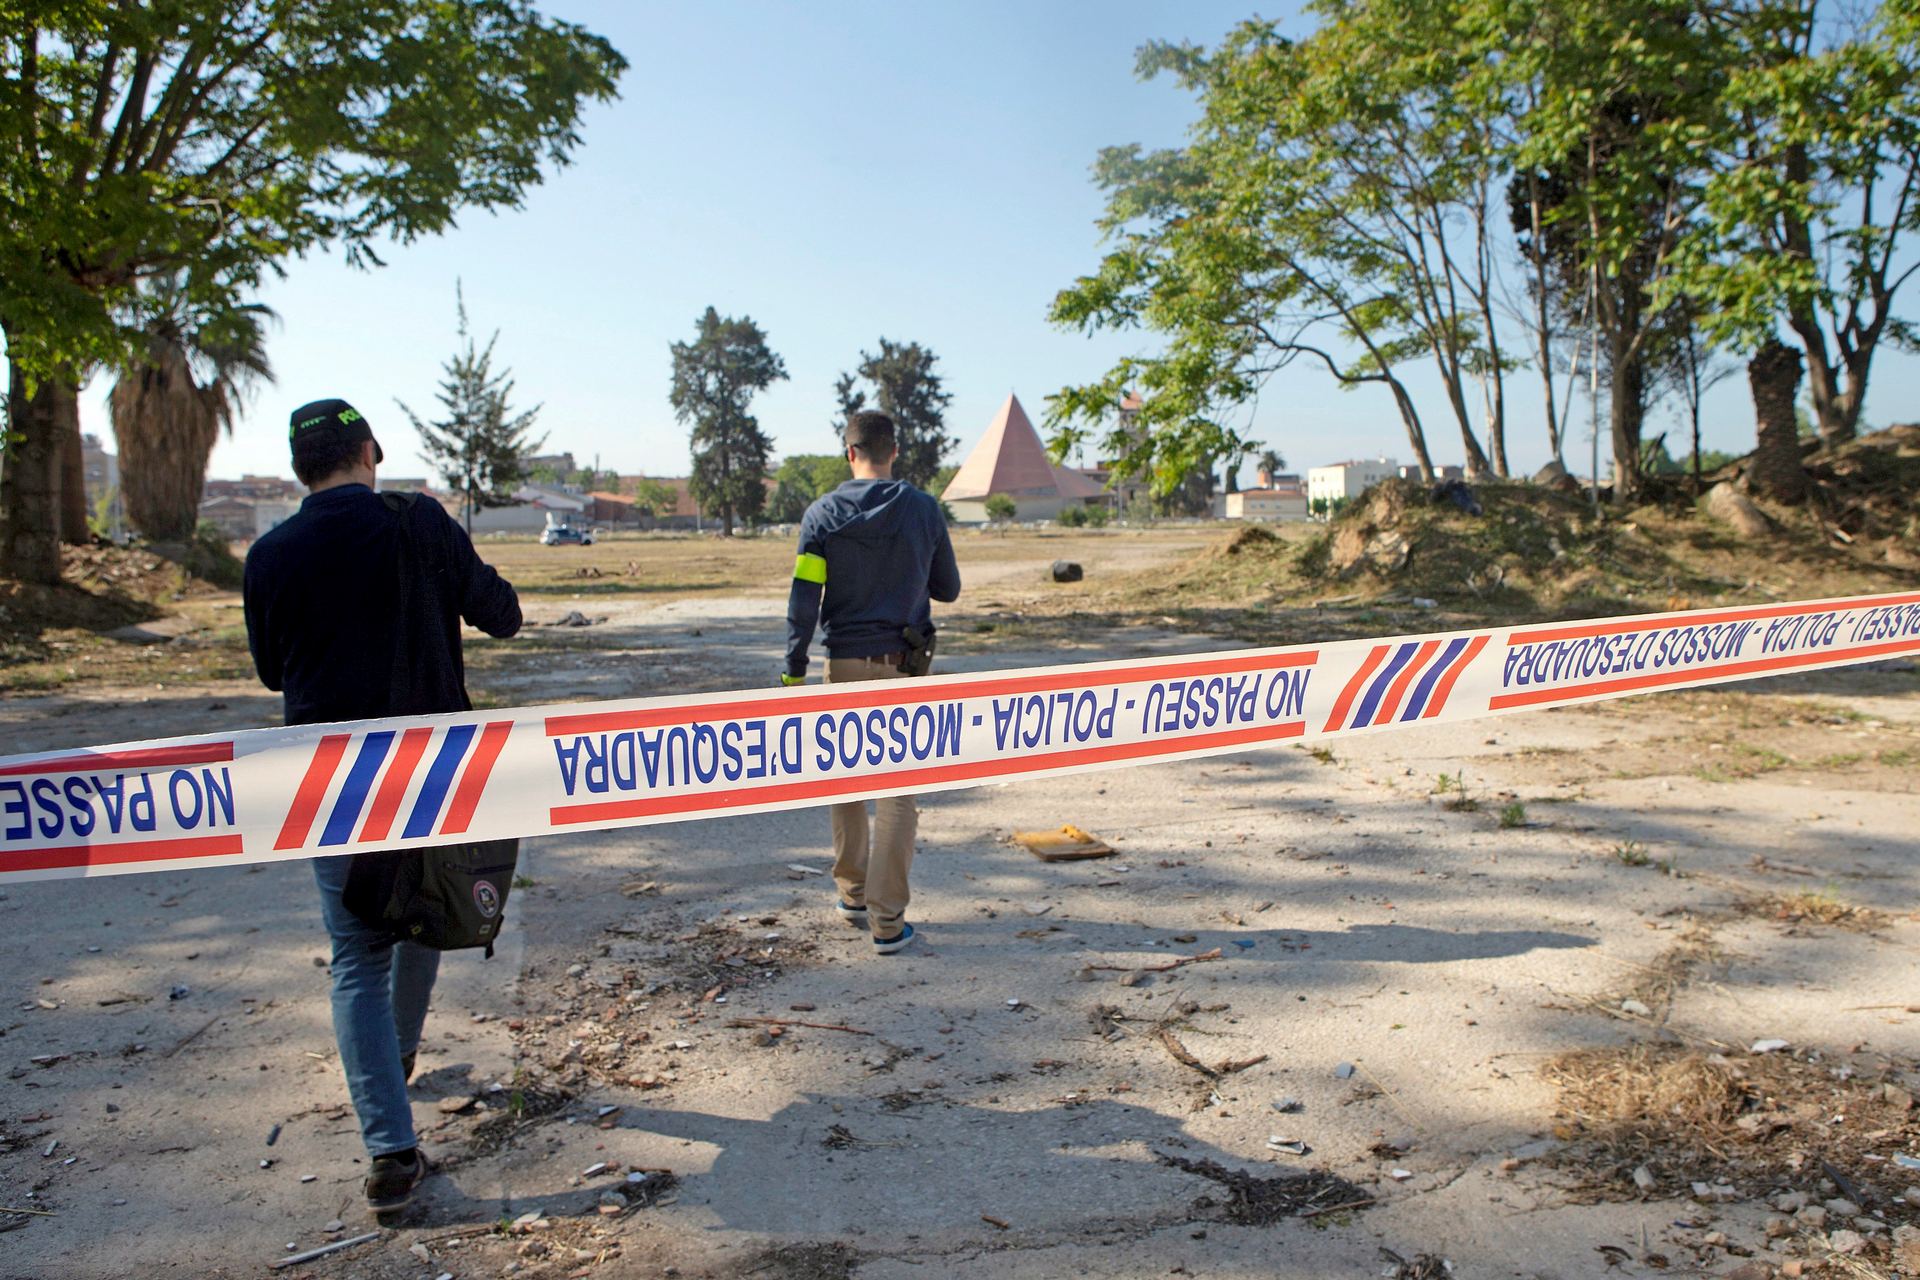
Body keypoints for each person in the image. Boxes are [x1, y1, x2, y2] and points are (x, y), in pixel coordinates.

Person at [242, 398, 522, 1216]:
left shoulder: (269, 554)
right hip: (431, 772)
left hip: (328, 782)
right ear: (369, 452)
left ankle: (390, 1151)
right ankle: (395, 1058)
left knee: (357, 951)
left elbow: (271, 671)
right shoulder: (419, 524)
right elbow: (502, 616)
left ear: (300, 469)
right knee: (427, 911)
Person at [783, 410, 961, 954]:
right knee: (896, 795)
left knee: (846, 781)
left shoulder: (821, 515)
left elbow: (804, 599)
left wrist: (793, 669)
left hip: (842, 665)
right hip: (901, 667)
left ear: (849, 452)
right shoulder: (923, 509)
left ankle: (853, 895)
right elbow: (948, 589)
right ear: (894, 452)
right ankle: (888, 922)